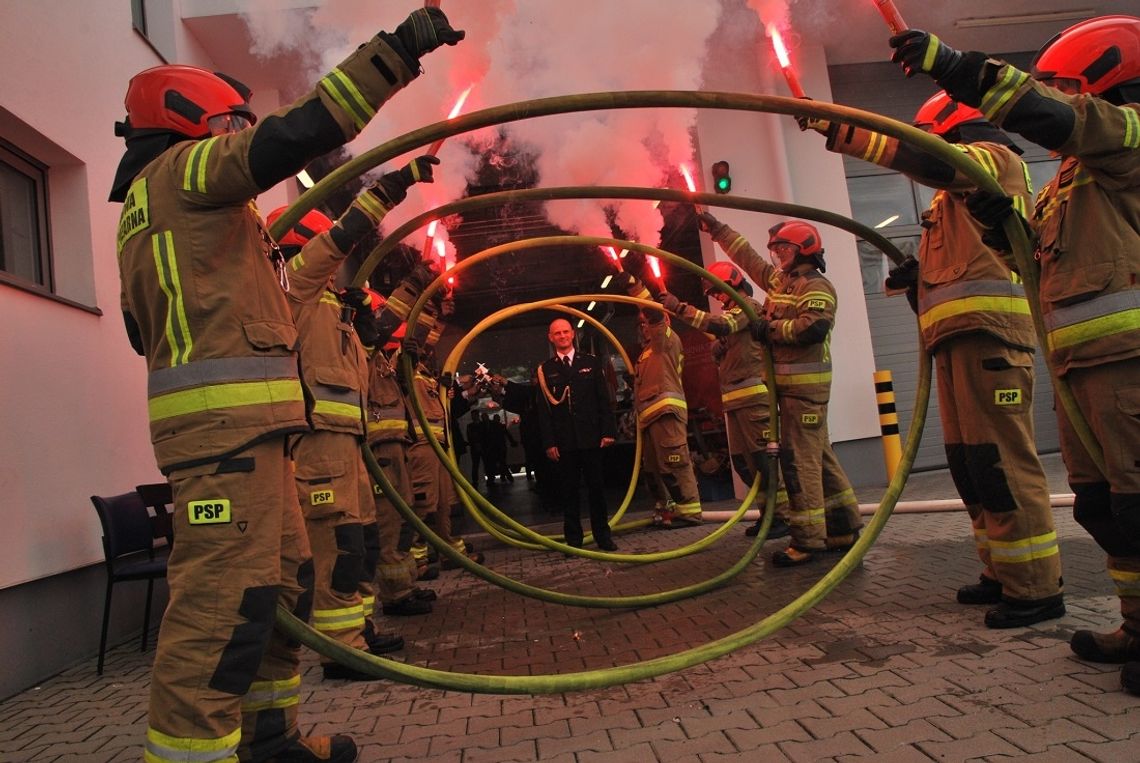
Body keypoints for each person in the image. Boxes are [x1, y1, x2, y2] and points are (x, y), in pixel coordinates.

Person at [110, 8, 463, 760]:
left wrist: (386, 193)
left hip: (254, 437)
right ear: (192, 120)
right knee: (219, 611)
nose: (238, 139)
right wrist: (400, 50)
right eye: (230, 124)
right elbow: (296, 133)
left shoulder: (170, 214)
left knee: (276, 591)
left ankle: (270, 739)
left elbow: (153, 327)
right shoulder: (183, 173)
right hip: (226, 443)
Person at [888, 14, 1140, 687]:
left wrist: (955, 66)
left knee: (1138, 502)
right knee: (1103, 506)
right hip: (1079, 369)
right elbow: (1031, 260)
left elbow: (1055, 116)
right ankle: (1137, 625)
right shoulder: (1066, 180)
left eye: (1064, 84)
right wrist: (1001, 227)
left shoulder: (1127, 138)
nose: (1053, 95)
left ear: (1102, 78)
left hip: (1125, 363)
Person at [799, 92, 1065, 628]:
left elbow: (937, 163)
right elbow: (964, 266)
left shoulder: (994, 158)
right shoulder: (950, 201)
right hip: (955, 341)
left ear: (952, 132)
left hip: (991, 341)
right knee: (971, 467)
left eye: (932, 137)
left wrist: (842, 126)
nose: (930, 149)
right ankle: (1001, 571)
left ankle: (1036, 586)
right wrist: (917, 278)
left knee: (1001, 464)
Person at [267, 158, 437, 680]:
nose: (337, 267)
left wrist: (365, 321)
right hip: (318, 446)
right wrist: (393, 188)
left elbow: (373, 357)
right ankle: (342, 649)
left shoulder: (325, 306)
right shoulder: (290, 291)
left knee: (360, 542)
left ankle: (358, 632)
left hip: (348, 445)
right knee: (337, 546)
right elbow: (337, 240)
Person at [697, 215, 863, 566]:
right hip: (789, 390)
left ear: (805, 251)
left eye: (785, 249)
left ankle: (807, 542)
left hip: (805, 390)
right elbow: (749, 260)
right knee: (819, 458)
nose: (777, 257)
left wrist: (768, 330)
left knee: (799, 464)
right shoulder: (782, 283)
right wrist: (718, 229)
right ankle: (844, 526)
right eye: (776, 251)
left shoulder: (815, 287)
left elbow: (812, 329)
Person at [652, 260, 791, 539]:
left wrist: (679, 308)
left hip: (754, 401)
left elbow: (720, 324)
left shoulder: (748, 306)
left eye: (718, 292)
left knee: (765, 462)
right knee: (745, 464)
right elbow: (724, 335)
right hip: (735, 402)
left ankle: (784, 516)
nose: (717, 298)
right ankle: (768, 515)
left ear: (732, 284)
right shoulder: (735, 315)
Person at [357, 271, 440, 620]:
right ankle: (395, 595)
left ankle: (405, 586)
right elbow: (386, 322)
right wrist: (415, 282)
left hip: (396, 448)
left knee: (404, 518)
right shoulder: (358, 350)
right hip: (379, 450)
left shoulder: (378, 361)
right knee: (390, 524)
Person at [612, 260, 703, 527]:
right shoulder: (647, 351)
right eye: (640, 324)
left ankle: (690, 511)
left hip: (666, 414)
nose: (643, 326)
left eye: (646, 322)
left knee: (674, 462)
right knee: (654, 469)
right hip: (649, 419)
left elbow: (652, 313)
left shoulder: (666, 340)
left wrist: (634, 286)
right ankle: (667, 509)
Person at [535, 318, 619, 550]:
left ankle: (603, 536)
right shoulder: (546, 370)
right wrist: (549, 442)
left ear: (573, 334)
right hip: (564, 442)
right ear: (550, 338)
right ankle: (573, 541)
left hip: (592, 438)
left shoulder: (591, 363)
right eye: (557, 333)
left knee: (597, 490)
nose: (562, 336)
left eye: (565, 332)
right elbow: (544, 411)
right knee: (569, 493)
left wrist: (608, 431)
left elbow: (604, 400)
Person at [484, 412, 518, 484]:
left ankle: (501, 477)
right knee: (502, 462)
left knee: (496, 463)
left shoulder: (491, 427)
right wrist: (513, 442)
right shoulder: (501, 426)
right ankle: (506, 476)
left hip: (494, 448)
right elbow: (508, 435)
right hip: (501, 447)